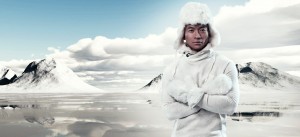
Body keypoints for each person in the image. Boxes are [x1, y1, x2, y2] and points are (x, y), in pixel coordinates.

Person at [160, 2, 239, 137]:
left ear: (210, 32)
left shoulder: (225, 64)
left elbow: (230, 106)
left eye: (202, 29)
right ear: (183, 34)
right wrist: (210, 101)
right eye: (191, 30)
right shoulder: (171, 69)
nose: (197, 35)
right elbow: (170, 111)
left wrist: (189, 97)